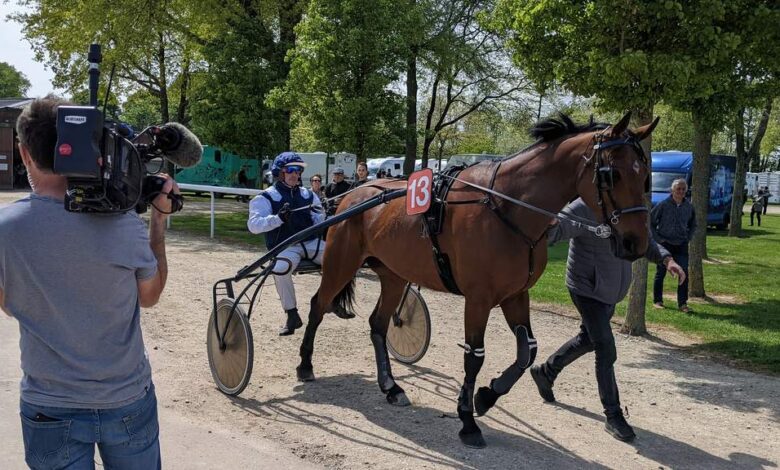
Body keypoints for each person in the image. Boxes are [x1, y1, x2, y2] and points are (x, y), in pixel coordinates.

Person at [0, 96, 178, 468]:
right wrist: (157, 224)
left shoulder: (5, 231)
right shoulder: (122, 223)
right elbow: (150, 296)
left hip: (49, 404)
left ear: (24, 153)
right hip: (126, 398)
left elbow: (8, 301)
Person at [529, 197, 685, 442]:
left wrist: (667, 259)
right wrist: (548, 222)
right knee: (605, 346)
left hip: (610, 291)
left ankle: (546, 372)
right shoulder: (583, 206)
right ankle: (613, 415)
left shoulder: (627, 205)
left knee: (589, 339)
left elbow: (645, 240)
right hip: (586, 288)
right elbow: (556, 232)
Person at [247, 152, 354, 336]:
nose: (295, 174)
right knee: (280, 268)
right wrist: (278, 218)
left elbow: (317, 220)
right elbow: (253, 226)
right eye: (290, 170)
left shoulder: (308, 195)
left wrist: (323, 216)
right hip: (285, 247)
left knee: (344, 259)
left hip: (311, 243)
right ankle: (292, 314)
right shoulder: (266, 197)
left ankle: (331, 300)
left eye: (298, 170)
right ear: (280, 172)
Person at [650, 178, 696, 313]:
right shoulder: (663, 204)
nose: (681, 191)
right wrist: (658, 239)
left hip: (681, 244)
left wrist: (688, 237)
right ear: (672, 190)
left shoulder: (689, 206)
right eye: (678, 189)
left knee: (684, 273)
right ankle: (658, 301)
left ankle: (682, 303)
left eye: (683, 189)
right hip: (665, 244)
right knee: (661, 272)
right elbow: (651, 222)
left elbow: (693, 224)